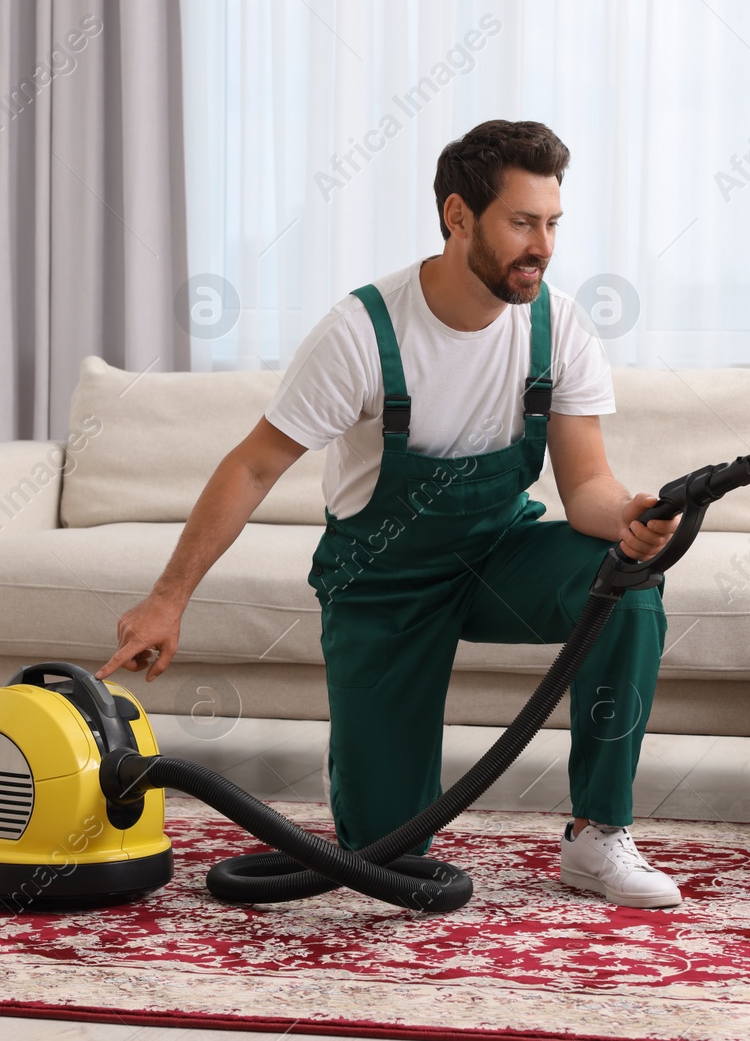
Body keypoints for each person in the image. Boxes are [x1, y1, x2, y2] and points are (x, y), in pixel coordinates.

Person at [97, 120, 683, 908]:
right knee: (384, 850)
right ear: (458, 217)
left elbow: (587, 490)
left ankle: (597, 834)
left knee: (631, 584)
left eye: (552, 224)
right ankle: (385, 833)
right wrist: (169, 596)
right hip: (383, 580)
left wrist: (631, 519)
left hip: (496, 554)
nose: (541, 245)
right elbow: (255, 464)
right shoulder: (362, 332)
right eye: (521, 222)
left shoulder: (558, 327)